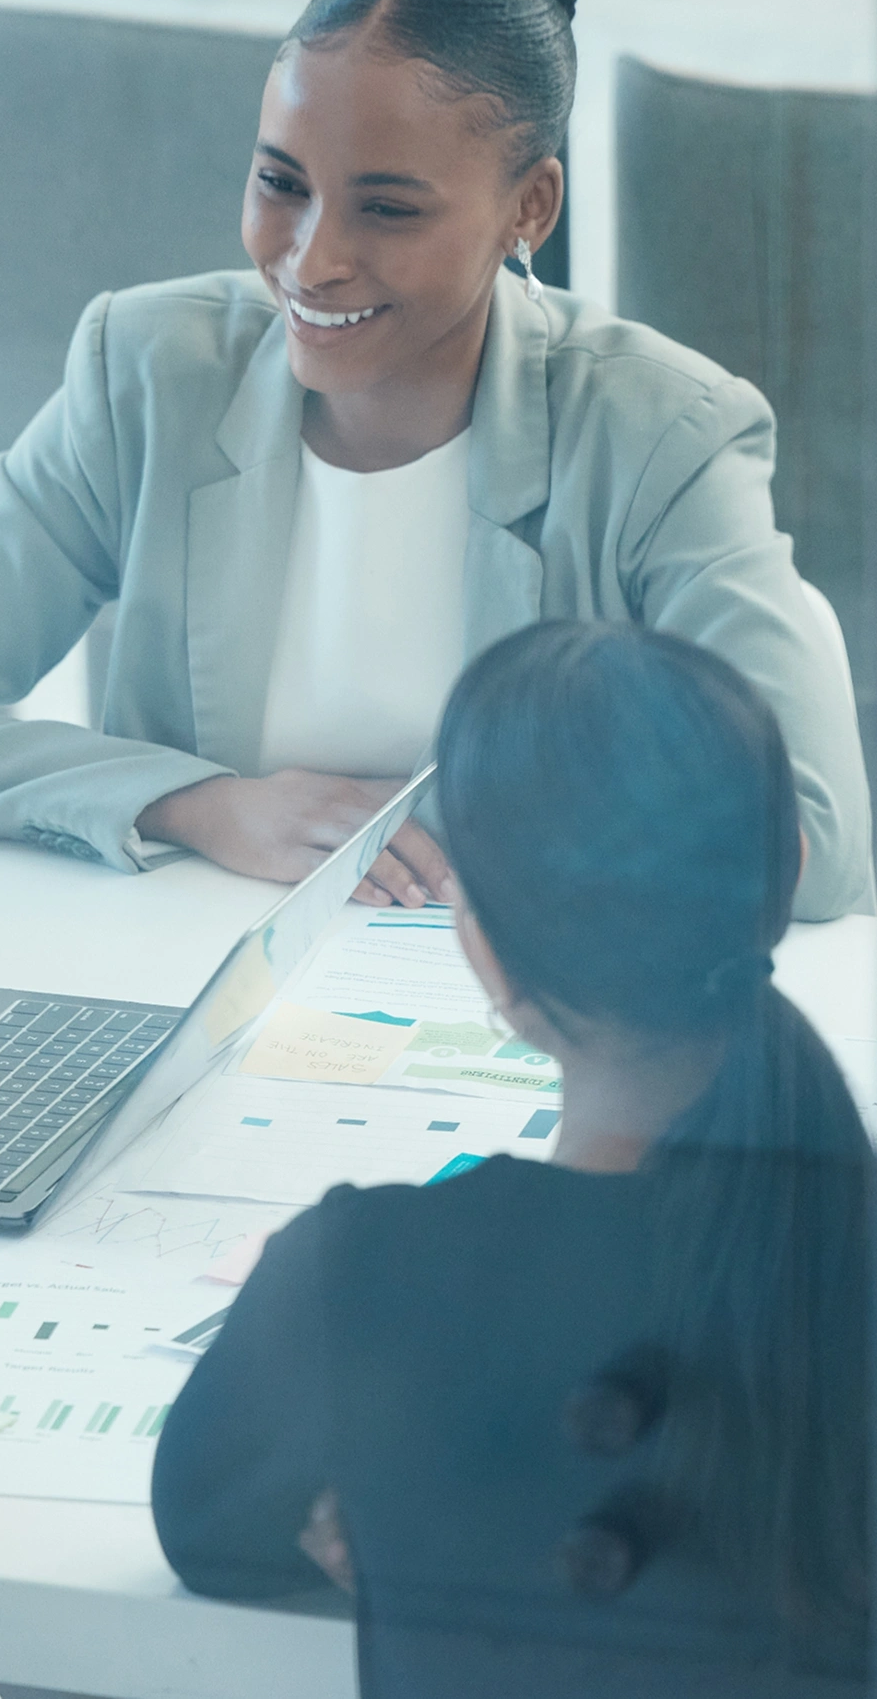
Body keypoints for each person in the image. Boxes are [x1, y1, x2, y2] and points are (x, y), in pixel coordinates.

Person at [0, 0, 872, 922]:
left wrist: (426, 836)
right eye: (281, 184)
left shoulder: (658, 436)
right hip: (204, 989)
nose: (312, 260)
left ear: (527, 207)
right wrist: (201, 805)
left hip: (518, 1011)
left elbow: (813, 842)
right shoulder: (149, 375)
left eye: (388, 209)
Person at [151, 621, 869, 1692]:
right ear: (790, 866)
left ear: (484, 943)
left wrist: (408, 1516)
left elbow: (208, 1535)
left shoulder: (364, 1273)